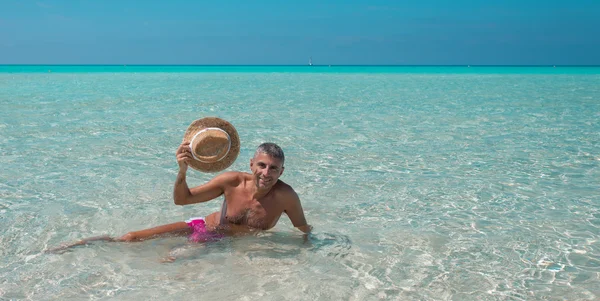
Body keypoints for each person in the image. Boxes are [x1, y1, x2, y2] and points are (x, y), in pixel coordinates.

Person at [48, 117, 311, 253]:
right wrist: (182, 171)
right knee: (131, 238)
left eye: (274, 168)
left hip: (228, 246)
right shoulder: (231, 181)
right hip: (205, 228)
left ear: (282, 171)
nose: (267, 173)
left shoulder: (286, 197)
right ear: (252, 163)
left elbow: (303, 230)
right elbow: (182, 200)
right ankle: (79, 245)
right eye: (262, 165)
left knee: (176, 260)